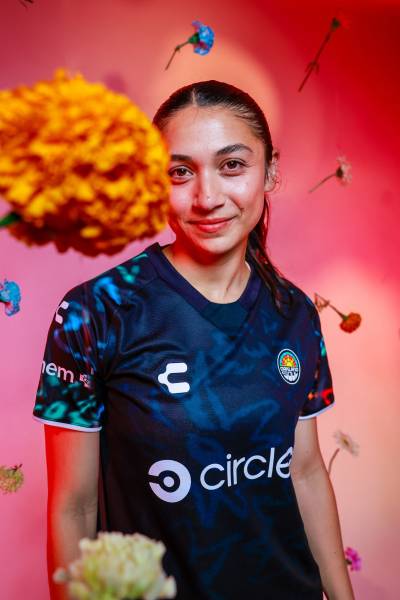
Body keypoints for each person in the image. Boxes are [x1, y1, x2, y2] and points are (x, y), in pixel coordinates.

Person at [33, 80, 355, 600]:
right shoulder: (97, 311)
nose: (207, 198)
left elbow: (306, 471)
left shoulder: (293, 311)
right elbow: (75, 507)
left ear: (270, 171)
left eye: (232, 165)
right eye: (180, 172)